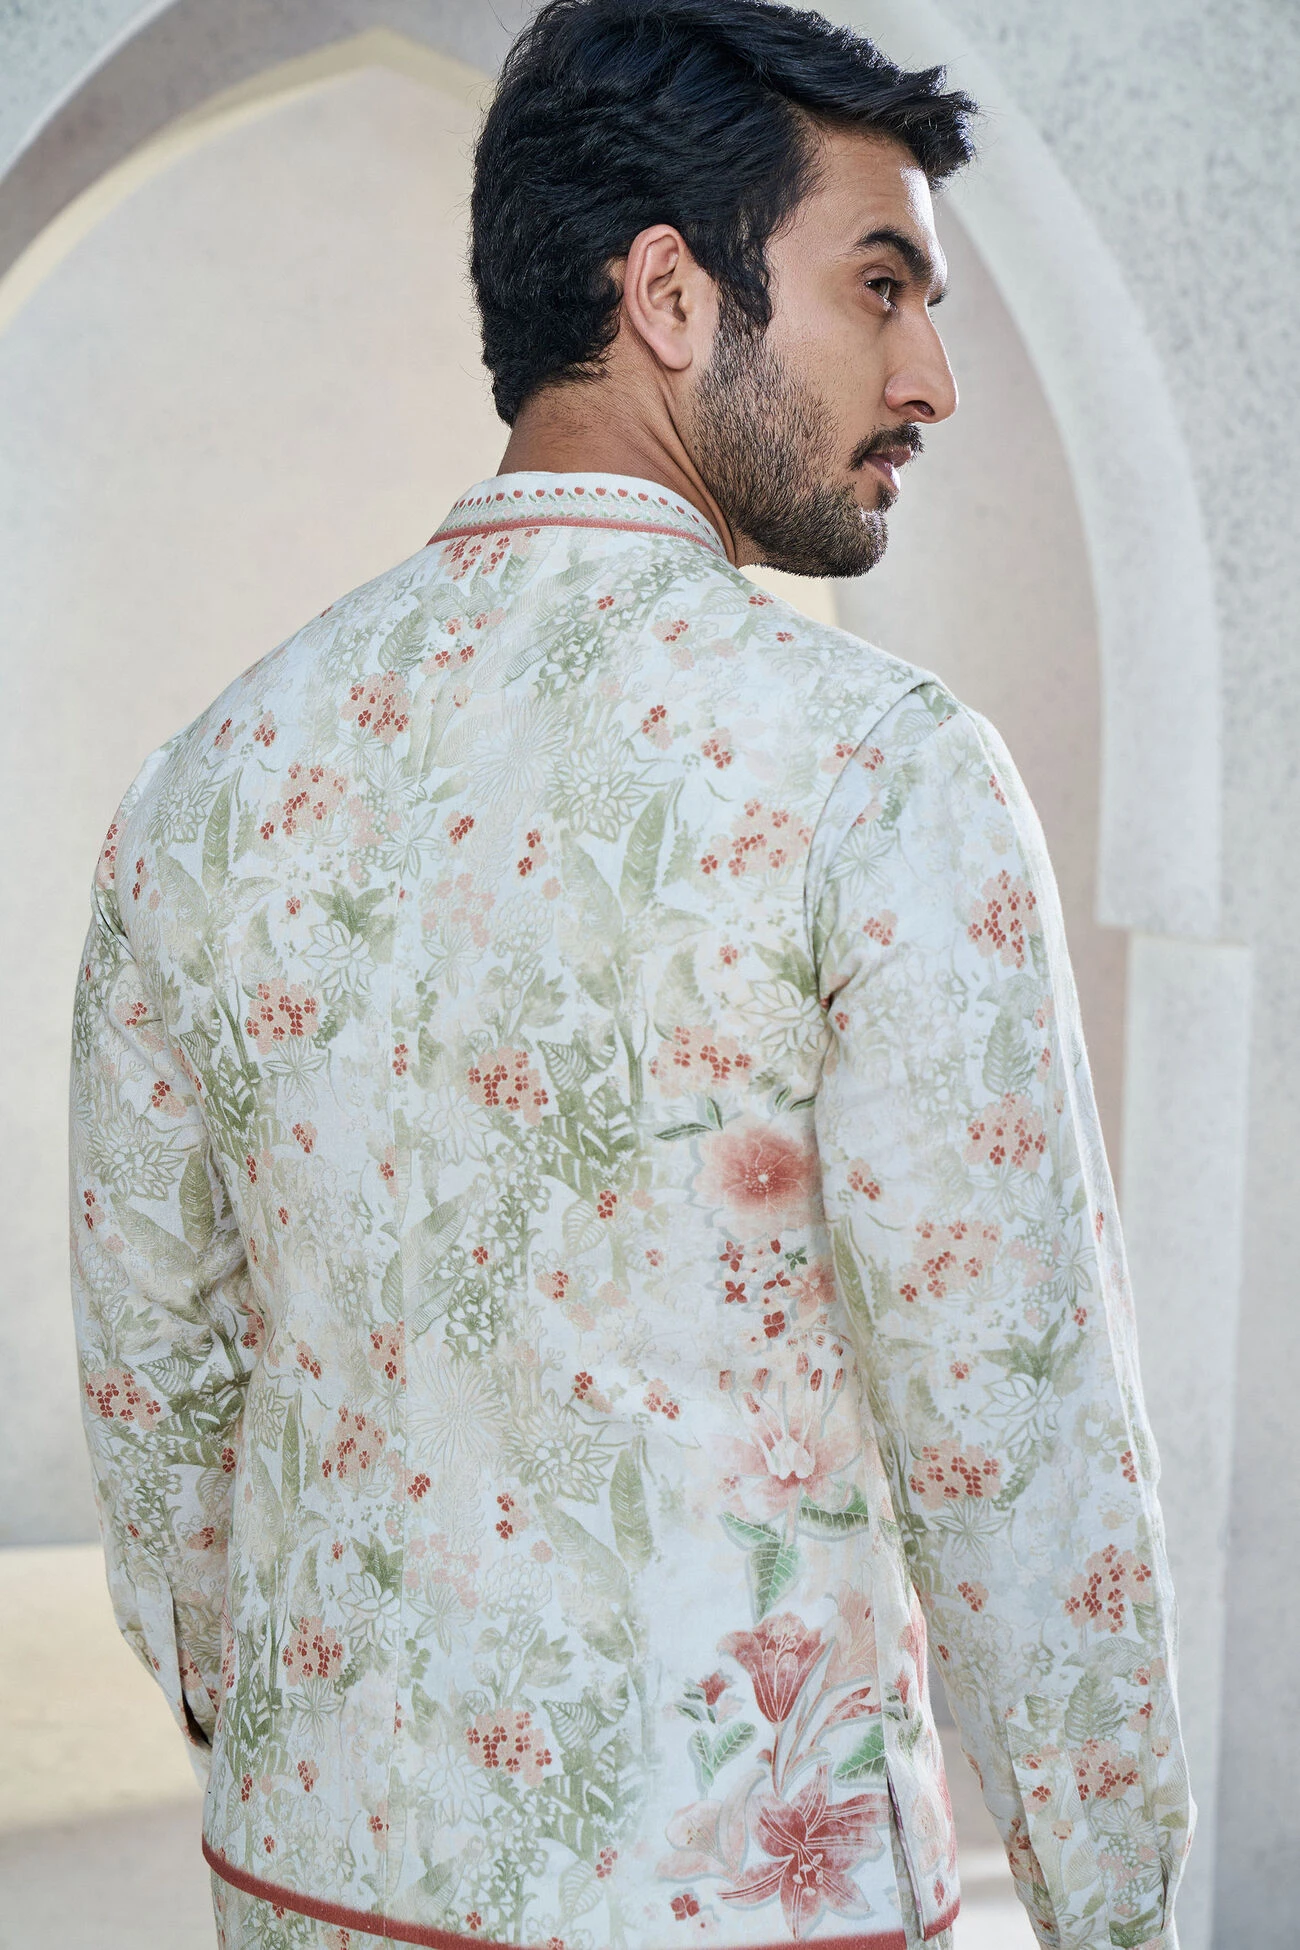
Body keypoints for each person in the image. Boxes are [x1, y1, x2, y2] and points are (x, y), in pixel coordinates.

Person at [69, 2, 1192, 1946]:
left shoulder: (210, 782)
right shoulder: (874, 776)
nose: (929, 376)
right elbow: (1015, 1435)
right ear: (668, 295)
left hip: (308, 1878)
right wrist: (1114, 1902)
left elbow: (158, 1387)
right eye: (881, 286)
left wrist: (284, 1751)